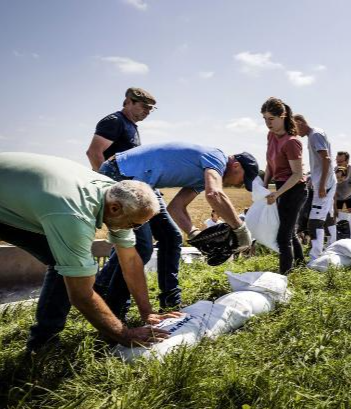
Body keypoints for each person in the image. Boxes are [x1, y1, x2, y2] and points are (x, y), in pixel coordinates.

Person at [0, 152, 178, 352]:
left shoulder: (113, 192)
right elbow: (81, 295)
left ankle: (43, 341)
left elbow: (130, 261)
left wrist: (148, 313)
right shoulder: (74, 216)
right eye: (133, 224)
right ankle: (42, 345)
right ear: (115, 209)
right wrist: (123, 334)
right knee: (66, 265)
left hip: (23, 190)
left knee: (63, 261)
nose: (133, 229)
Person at [96, 142, 258, 315]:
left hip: (143, 184)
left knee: (171, 238)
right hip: (121, 174)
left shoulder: (203, 175)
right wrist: (241, 229)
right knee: (141, 247)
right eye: (243, 178)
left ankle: (170, 302)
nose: (239, 184)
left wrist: (195, 234)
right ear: (236, 165)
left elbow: (176, 207)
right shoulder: (217, 157)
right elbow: (214, 194)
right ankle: (116, 312)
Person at [83, 87, 181, 309]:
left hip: (143, 190)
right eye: (143, 106)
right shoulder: (113, 121)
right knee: (140, 247)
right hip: (126, 197)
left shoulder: (131, 127)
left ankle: (169, 298)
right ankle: (115, 303)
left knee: (171, 236)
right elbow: (94, 152)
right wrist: (111, 188)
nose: (147, 111)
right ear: (127, 101)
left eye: (150, 109)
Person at [261, 97, 307, 274]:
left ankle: (285, 277)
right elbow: (270, 163)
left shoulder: (292, 142)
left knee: (282, 237)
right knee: (289, 231)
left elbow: (297, 174)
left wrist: (278, 193)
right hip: (281, 187)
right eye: (264, 119)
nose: (267, 123)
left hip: (294, 189)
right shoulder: (271, 136)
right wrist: (265, 185)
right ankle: (301, 265)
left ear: (283, 116)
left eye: (271, 119)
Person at [293, 114, 337, 258]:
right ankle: (332, 246)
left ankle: (316, 256)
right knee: (328, 216)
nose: (295, 133)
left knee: (314, 221)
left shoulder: (315, 135)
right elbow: (320, 161)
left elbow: (326, 160)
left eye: (294, 128)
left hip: (325, 184)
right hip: (324, 182)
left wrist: (322, 184)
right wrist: (314, 177)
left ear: (299, 122)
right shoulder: (316, 133)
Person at [335, 152, 351, 234]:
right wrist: (335, 207)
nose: (338, 164)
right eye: (337, 161)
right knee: (335, 219)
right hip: (337, 197)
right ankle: (336, 237)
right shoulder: (333, 171)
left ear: (347, 161)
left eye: (340, 162)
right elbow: (333, 191)